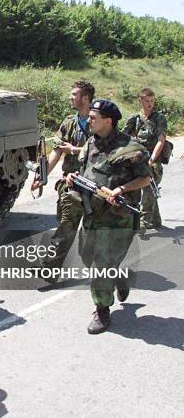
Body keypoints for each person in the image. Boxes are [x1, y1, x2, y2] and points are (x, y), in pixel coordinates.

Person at [65, 100, 151, 334]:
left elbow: (146, 179)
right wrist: (73, 178)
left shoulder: (131, 148)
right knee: (86, 256)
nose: (89, 120)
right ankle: (120, 276)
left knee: (100, 267)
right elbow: (85, 172)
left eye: (93, 117)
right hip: (92, 214)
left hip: (116, 219)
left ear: (108, 121)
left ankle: (102, 311)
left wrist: (121, 190)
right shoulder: (90, 143)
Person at [31, 81, 94, 279]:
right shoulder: (69, 122)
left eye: (74, 94)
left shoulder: (100, 120)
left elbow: (108, 152)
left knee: (93, 237)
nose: (70, 97)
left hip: (96, 185)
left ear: (85, 98)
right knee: (66, 225)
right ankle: (50, 268)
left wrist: (75, 150)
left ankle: (111, 273)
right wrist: (42, 177)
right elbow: (56, 152)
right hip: (71, 185)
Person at [122, 88, 167, 230]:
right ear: (140, 100)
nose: (150, 104)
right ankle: (155, 219)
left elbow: (161, 140)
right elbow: (122, 137)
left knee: (148, 188)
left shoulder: (159, 118)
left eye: (152, 101)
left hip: (152, 160)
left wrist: (152, 159)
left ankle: (143, 222)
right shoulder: (134, 118)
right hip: (137, 159)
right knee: (141, 189)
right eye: (147, 101)